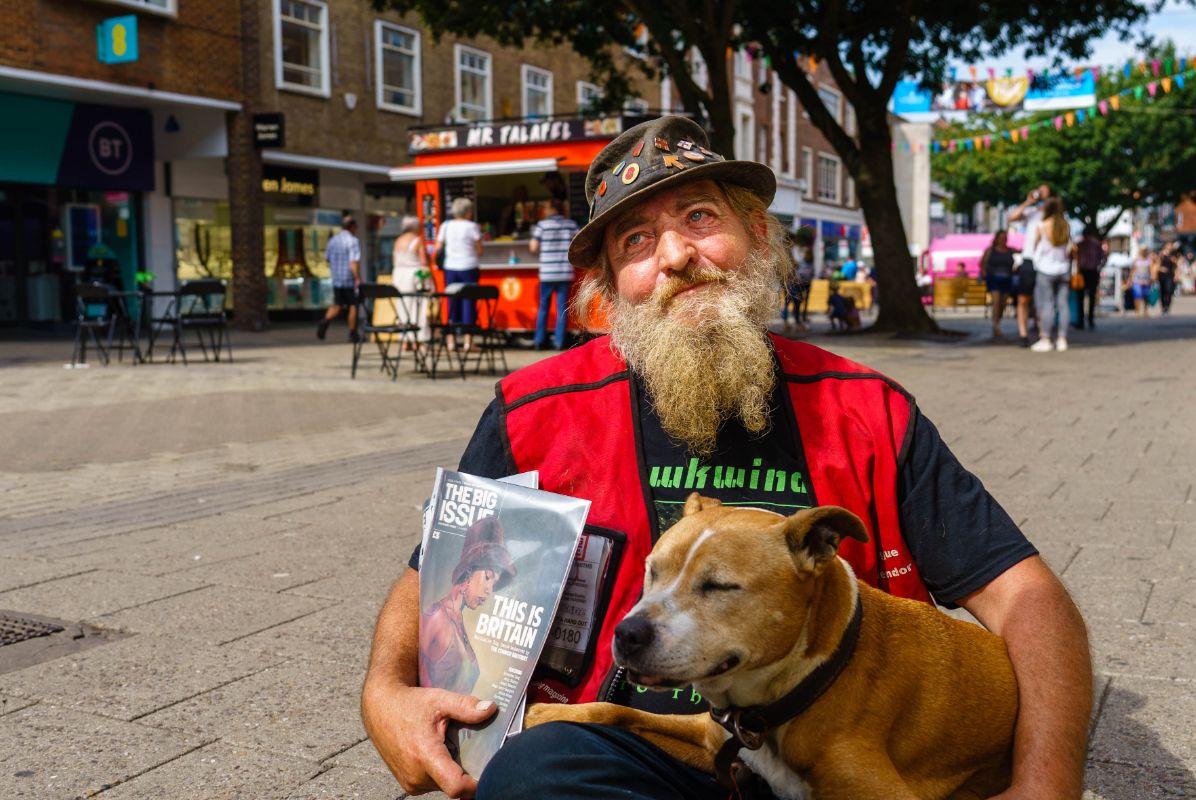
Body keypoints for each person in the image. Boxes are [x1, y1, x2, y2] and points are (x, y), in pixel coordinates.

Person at [361, 116, 1092, 800]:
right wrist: (386, 690)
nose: (677, 255)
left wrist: (1045, 784)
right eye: (636, 242)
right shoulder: (535, 412)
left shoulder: (868, 411)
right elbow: (435, 570)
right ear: (610, 293)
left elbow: (1028, 599)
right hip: (645, 752)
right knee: (534, 773)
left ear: (758, 237)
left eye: (700, 219)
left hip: (836, 747)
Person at [419, 517, 516, 696]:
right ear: (469, 570)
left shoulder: (458, 617)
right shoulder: (437, 616)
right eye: (488, 577)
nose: (489, 590)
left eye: (494, 584)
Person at [529, 197, 581, 351]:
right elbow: (579, 242)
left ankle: (539, 341)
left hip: (547, 273)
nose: (543, 211)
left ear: (552, 209)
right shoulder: (570, 224)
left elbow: (533, 247)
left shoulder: (542, 225)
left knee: (543, 308)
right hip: (564, 272)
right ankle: (559, 342)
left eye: (545, 208)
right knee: (561, 309)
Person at [1027, 196, 1075, 353]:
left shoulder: (1042, 225)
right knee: (1063, 304)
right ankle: (1062, 339)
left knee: (1047, 304)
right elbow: (1070, 248)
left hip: (1045, 269)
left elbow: (1035, 247)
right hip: (1063, 268)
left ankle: (1046, 338)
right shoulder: (1065, 226)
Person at [436, 197, 484, 351]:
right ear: (468, 211)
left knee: (452, 301)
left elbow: (437, 248)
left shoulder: (445, 226)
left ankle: (450, 341)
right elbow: (479, 250)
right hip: (469, 266)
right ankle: (468, 342)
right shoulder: (472, 227)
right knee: (468, 302)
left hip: (450, 267)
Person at [1007, 184, 1050, 346]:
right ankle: (1023, 334)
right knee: (1024, 298)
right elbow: (1011, 217)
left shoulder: (1053, 214)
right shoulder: (1031, 213)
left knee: (1043, 300)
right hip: (1029, 260)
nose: (1042, 193)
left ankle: (1042, 332)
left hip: (1045, 262)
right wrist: (1028, 201)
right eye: (1040, 190)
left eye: (1045, 191)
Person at [317, 215, 361, 342]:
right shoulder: (352, 241)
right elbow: (354, 262)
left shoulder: (333, 240)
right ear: (352, 227)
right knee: (354, 305)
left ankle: (325, 321)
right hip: (349, 279)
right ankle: (353, 333)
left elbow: (327, 258)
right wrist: (358, 278)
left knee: (338, 304)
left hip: (337, 279)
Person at [390, 214, 431, 348]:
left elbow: (394, 260)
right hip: (415, 273)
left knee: (402, 306)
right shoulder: (417, 240)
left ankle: (405, 338)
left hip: (399, 275)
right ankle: (418, 339)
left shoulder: (398, 240)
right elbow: (424, 261)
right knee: (419, 306)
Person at [980, 231, 1016, 337]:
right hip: (994, 278)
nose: (1003, 239)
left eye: (1005, 237)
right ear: (997, 238)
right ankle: (996, 325)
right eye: (1001, 237)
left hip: (1007, 279)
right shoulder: (990, 250)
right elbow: (982, 263)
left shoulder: (1010, 250)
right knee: (996, 302)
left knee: (1003, 304)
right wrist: (984, 274)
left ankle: (997, 321)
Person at [1075, 223, 1106, 330]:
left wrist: (1099, 267)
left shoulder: (1090, 244)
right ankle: (1085, 320)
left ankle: (1087, 320)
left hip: (1090, 271)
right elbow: (1103, 257)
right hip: (1086, 271)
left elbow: (1103, 257)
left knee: (1088, 297)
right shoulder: (1083, 244)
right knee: (1083, 297)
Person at [1126, 245, 1153, 318]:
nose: (1144, 252)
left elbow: (1150, 270)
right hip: (1137, 280)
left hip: (1146, 280)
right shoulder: (1136, 260)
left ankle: (1145, 311)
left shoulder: (1149, 259)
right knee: (1137, 296)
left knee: (1146, 296)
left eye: (1145, 250)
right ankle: (1137, 312)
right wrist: (1129, 280)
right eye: (1143, 250)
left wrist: (1152, 278)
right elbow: (1132, 271)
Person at [1154, 244, 1178, 315]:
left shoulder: (1173, 255)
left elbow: (1176, 266)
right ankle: (1163, 307)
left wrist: (1174, 260)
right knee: (1162, 291)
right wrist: (1160, 269)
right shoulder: (1161, 255)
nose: (1170, 247)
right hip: (1161, 275)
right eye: (1169, 246)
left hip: (1170, 275)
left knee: (1169, 291)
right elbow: (1156, 264)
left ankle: (1167, 306)